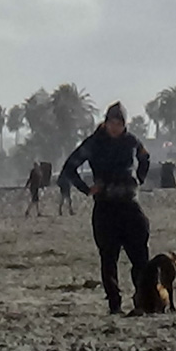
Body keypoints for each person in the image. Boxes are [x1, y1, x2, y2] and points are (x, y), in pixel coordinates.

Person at [59, 101, 151, 315]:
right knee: (108, 258)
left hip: (129, 205)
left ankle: (141, 299)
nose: (115, 127)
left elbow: (145, 157)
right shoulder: (93, 143)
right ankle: (114, 303)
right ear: (106, 122)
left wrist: (141, 178)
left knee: (140, 256)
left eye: (119, 123)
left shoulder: (132, 140)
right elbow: (69, 167)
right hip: (105, 208)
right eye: (112, 122)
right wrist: (86, 189)